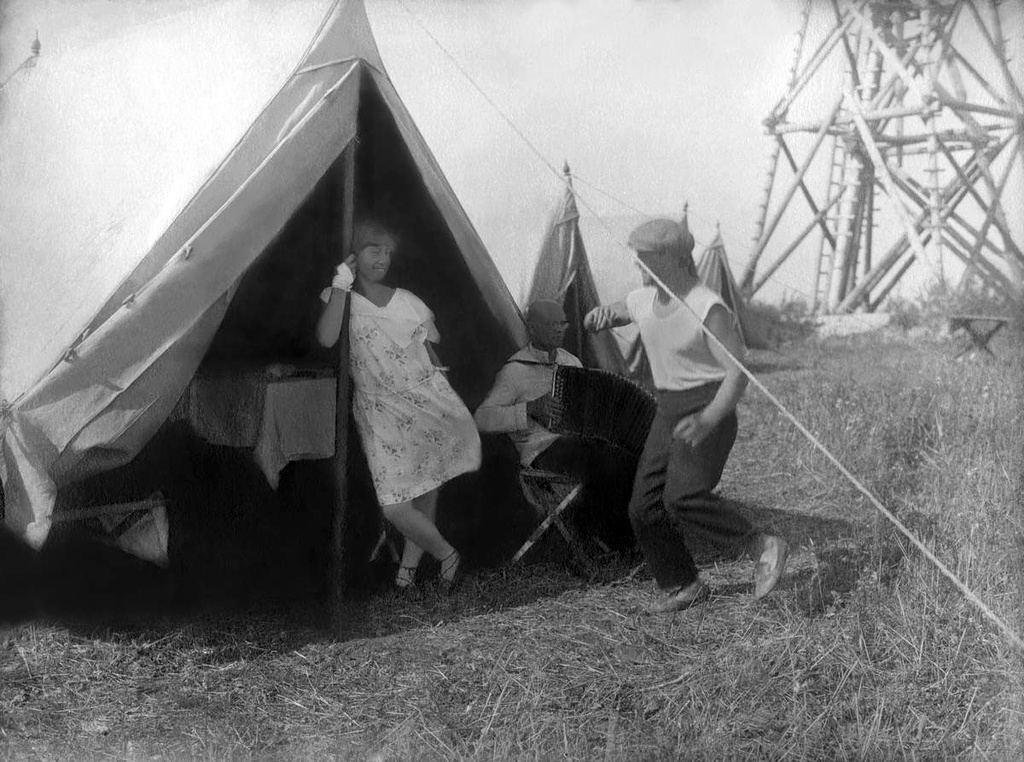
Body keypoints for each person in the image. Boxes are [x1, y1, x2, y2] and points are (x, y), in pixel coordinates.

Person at [583, 218, 788, 612]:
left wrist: (709, 418)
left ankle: (762, 544)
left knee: (683, 496)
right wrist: (602, 314)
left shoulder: (706, 306)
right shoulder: (645, 298)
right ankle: (684, 583)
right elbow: (625, 309)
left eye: (644, 259)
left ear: (670, 259)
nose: (638, 267)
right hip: (669, 409)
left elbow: (737, 373)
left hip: (709, 406)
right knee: (642, 507)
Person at [316, 220, 479, 593]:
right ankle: (447, 555)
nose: (383, 258)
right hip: (378, 409)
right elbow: (327, 339)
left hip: (425, 402)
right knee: (394, 504)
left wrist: (439, 375)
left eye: (388, 251)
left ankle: (406, 576)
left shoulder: (409, 301)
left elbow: (430, 349)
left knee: (425, 489)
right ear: (356, 253)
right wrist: (341, 283)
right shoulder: (339, 295)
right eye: (375, 249)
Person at [474, 299, 635, 551]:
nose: (559, 329)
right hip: (542, 451)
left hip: (579, 445)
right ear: (532, 328)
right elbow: (482, 419)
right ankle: (615, 539)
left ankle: (623, 533)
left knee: (626, 454)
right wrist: (529, 409)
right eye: (551, 324)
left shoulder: (571, 362)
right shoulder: (515, 371)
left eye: (562, 323)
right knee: (608, 460)